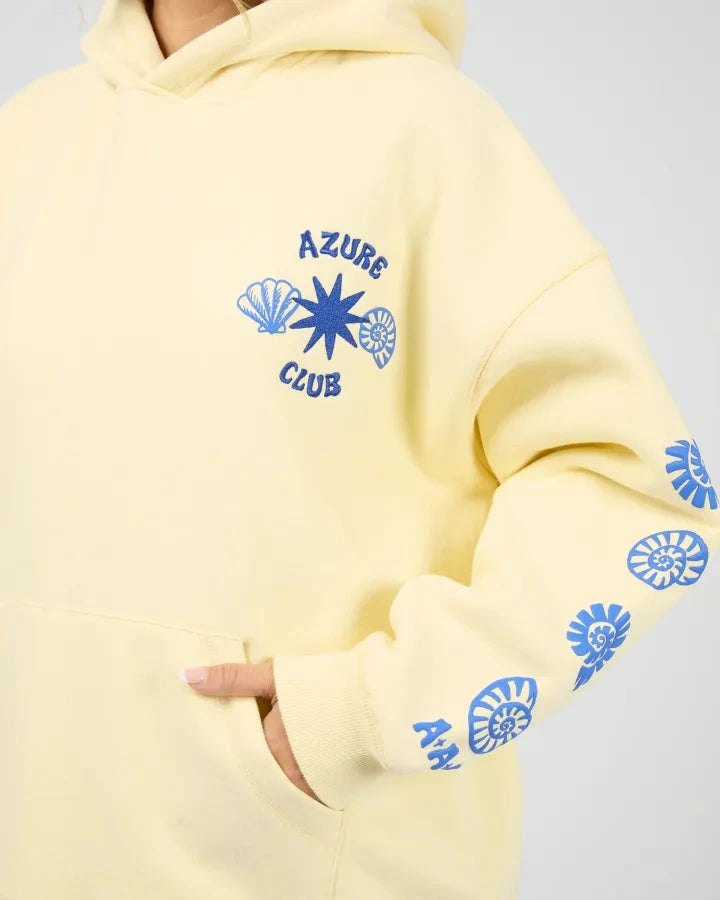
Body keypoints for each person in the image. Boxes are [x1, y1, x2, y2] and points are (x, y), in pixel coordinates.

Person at [0, 0, 717, 897]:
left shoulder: (429, 133)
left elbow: (637, 493)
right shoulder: (29, 137)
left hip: (298, 861)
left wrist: (361, 717)